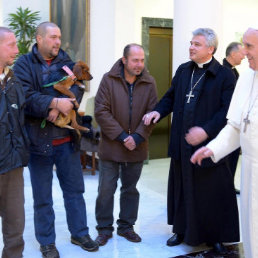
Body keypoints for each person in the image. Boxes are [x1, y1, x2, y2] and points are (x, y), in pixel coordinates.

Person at [143, 28, 239, 254]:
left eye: (196, 44)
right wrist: (158, 112)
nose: (191, 47)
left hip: (209, 146)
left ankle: (214, 236)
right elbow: (171, 97)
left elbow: (227, 111)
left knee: (210, 192)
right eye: (191, 43)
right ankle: (182, 230)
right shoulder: (184, 70)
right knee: (182, 187)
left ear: (210, 49)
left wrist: (206, 131)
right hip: (182, 143)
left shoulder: (224, 75)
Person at [13, 22, 98, 258]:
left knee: (74, 191)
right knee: (43, 197)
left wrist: (62, 108)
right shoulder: (23, 65)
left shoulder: (67, 62)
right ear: (39, 39)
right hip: (38, 142)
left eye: (59, 37)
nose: (58, 42)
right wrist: (53, 103)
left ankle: (79, 233)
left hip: (66, 141)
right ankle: (47, 242)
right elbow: (24, 96)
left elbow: (79, 87)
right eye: (53, 37)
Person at [191, 27, 258, 258]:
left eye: (249, 46)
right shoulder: (247, 77)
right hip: (250, 168)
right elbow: (236, 126)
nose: (244, 52)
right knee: (251, 231)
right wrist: (213, 148)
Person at [94, 43, 157, 246]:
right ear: (124, 60)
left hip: (137, 147)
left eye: (142, 60)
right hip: (112, 146)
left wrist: (138, 137)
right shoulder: (108, 79)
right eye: (135, 60)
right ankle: (104, 229)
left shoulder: (149, 83)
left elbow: (153, 113)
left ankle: (126, 226)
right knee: (106, 190)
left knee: (130, 190)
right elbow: (101, 111)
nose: (139, 64)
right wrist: (122, 136)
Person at [0, 26, 29, 258]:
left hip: (13, 166)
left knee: (15, 227)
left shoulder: (13, 80)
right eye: (11, 44)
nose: (17, 50)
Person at [223, 42, 245, 194]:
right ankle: (225, 186)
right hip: (226, 122)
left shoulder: (233, 71)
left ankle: (229, 184)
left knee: (233, 157)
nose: (244, 55)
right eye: (241, 52)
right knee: (227, 157)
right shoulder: (224, 72)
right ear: (232, 53)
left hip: (235, 121)